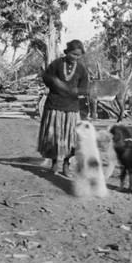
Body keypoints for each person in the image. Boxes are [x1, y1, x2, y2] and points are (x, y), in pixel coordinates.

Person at [38, 39, 89, 176]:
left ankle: (66, 165)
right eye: (73, 54)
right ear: (67, 52)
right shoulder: (56, 64)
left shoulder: (81, 69)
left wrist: (77, 91)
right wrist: (54, 82)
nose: (75, 57)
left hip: (71, 108)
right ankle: (55, 164)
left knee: (70, 138)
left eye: (78, 55)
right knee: (54, 137)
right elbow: (47, 79)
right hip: (55, 105)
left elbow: (84, 88)